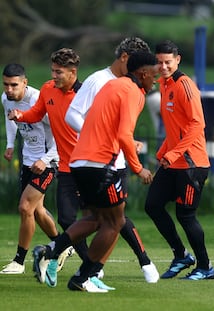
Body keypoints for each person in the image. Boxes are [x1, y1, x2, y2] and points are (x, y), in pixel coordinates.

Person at [30, 51, 157, 293]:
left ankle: (51, 250)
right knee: (116, 221)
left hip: (78, 161)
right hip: (100, 164)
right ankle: (83, 277)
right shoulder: (134, 92)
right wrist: (138, 168)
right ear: (143, 74)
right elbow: (123, 135)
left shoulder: (112, 85)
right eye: (154, 76)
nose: (155, 81)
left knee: (97, 219)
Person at [65, 37, 159, 283]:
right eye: (150, 71)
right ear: (128, 59)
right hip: (100, 161)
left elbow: (119, 128)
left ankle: (89, 268)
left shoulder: (124, 85)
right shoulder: (99, 80)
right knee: (112, 220)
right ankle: (88, 271)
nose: (153, 76)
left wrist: (120, 141)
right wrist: (99, 136)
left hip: (112, 160)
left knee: (109, 219)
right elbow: (72, 114)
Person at [7, 48, 91, 284]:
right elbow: (36, 113)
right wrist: (20, 117)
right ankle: (76, 256)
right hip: (64, 166)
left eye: (58, 72)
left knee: (105, 218)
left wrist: (45, 159)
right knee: (62, 217)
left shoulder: (85, 95)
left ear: (73, 72)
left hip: (83, 164)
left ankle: (24, 259)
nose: (53, 75)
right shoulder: (47, 89)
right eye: (52, 70)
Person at [144, 40, 214, 281]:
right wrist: (164, 149)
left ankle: (205, 267)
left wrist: (173, 153)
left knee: (186, 216)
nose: (163, 66)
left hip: (192, 164)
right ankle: (181, 255)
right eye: (159, 62)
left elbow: (197, 125)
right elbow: (176, 127)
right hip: (174, 161)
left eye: (168, 62)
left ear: (178, 60)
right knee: (152, 205)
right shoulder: (164, 84)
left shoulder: (185, 85)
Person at [0, 64, 72, 274]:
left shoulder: (41, 101)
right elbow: (10, 119)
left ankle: (19, 261)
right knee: (37, 210)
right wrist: (10, 144)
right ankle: (63, 245)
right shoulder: (7, 98)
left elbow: (63, 134)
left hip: (48, 161)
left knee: (25, 207)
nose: (9, 89)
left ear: (25, 82)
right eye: (5, 84)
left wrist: (47, 158)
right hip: (28, 161)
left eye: (14, 85)